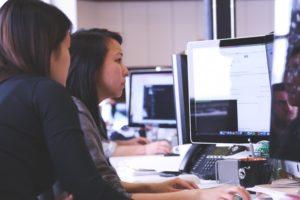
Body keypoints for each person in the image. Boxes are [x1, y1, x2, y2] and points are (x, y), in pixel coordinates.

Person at [66, 28, 251, 200]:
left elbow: (107, 187)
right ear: (91, 66)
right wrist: (198, 196)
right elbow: (107, 196)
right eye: (118, 60)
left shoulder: (86, 111)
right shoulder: (76, 112)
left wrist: (156, 187)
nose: (125, 70)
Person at [0, 0, 131, 199]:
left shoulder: (9, 90)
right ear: (49, 50)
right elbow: (89, 189)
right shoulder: (46, 92)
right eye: (67, 48)